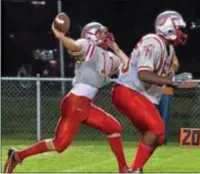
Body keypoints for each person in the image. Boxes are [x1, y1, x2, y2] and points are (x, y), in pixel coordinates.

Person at [4, 21, 129, 173]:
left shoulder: (109, 56)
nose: (105, 35)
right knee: (60, 144)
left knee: (114, 128)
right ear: (91, 34)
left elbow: (127, 65)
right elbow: (74, 46)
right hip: (75, 102)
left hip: (85, 104)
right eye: (101, 33)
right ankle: (17, 156)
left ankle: (123, 169)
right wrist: (61, 36)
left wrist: (115, 47)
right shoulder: (87, 45)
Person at [109, 10, 192, 172]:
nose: (181, 33)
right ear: (168, 28)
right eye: (178, 28)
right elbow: (144, 74)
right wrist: (171, 81)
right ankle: (136, 170)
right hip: (128, 90)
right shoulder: (153, 42)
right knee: (156, 128)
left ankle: (132, 169)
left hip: (139, 95)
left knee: (158, 138)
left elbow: (172, 82)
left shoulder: (169, 51)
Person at [158, 56, 179, 145]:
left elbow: (176, 66)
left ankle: (163, 139)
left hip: (166, 91)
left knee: (164, 116)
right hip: (153, 90)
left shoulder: (171, 55)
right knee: (153, 115)